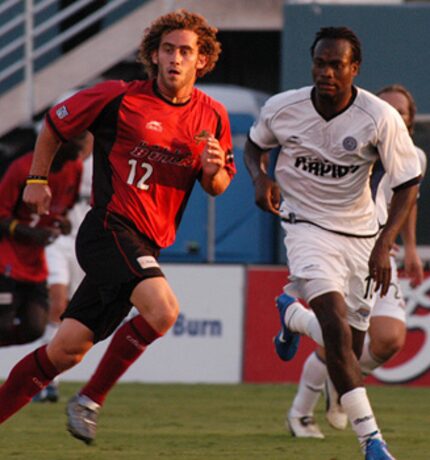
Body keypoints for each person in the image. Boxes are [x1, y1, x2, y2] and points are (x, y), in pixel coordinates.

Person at [0, 8, 235, 444]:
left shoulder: (213, 116)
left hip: (147, 243)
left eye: (186, 51)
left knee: (64, 351)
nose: (176, 59)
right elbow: (55, 123)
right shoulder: (119, 97)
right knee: (163, 311)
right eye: (168, 49)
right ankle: (89, 401)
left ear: (201, 60)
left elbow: (218, 186)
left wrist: (213, 169)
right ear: (154, 54)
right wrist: (37, 178)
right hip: (108, 228)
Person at [244, 27, 421, 460]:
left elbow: (408, 185)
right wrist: (259, 176)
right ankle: (372, 442)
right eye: (320, 63)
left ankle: (291, 317)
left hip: (361, 236)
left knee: (352, 346)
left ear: (353, 69)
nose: (326, 72)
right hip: (305, 225)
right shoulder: (283, 108)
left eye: (336, 65)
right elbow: (252, 147)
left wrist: (385, 246)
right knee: (335, 326)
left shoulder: (378, 117)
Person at [320, 84, 427, 432]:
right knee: (342, 333)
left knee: (390, 337)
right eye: (386, 107)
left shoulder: (414, 156)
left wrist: (408, 245)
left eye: (402, 111)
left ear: (410, 120)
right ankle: (306, 410)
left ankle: (340, 380)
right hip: (346, 247)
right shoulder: (355, 142)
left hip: (382, 251)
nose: (393, 114)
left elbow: (408, 200)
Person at [0, 138, 83, 348]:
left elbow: (62, 210)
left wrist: (62, 223)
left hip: (36, 263)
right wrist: (30, 233)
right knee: (2, 324)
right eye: (78, 138)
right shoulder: (22, 169)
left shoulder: (75, 167)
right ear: (59, 141)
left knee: (35, 328)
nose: (81, 144)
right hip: (7, 259)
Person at [34, 135, 93, 403]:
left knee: (75, 314)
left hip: (88, 243)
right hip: (58, 240)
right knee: (56, 303)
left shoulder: (104, 164)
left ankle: (49, 371)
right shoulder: (61, 164)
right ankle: (47, 382)